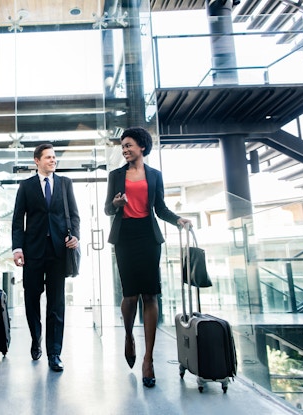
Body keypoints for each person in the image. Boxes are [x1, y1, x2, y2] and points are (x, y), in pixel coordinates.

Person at [104, 127, 191, 388]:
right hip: (125, 237)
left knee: (150, 295)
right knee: (130, 295)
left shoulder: (155, 175)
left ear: (142, 146)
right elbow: (108, 208)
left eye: (129, 145)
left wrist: (177, 220)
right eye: (122, 146)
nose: (125, 149)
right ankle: (129, 336)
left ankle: (148, 359)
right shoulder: (116, 175)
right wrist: (117, 205)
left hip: (148, 237)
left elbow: (160, 208)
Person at [12, 143, 80, 372]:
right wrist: (17, 248)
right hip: (32, 252)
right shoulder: (26, 186)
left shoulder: (65, 184)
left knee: (56, 303)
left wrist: (76, 237)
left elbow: (75, 215)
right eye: (48, 157)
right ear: (37, 160)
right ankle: (36, 338)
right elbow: (17, 220)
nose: (53, 160)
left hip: (58, 251)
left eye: (54, 157)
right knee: (31, 299)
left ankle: (54, 353)